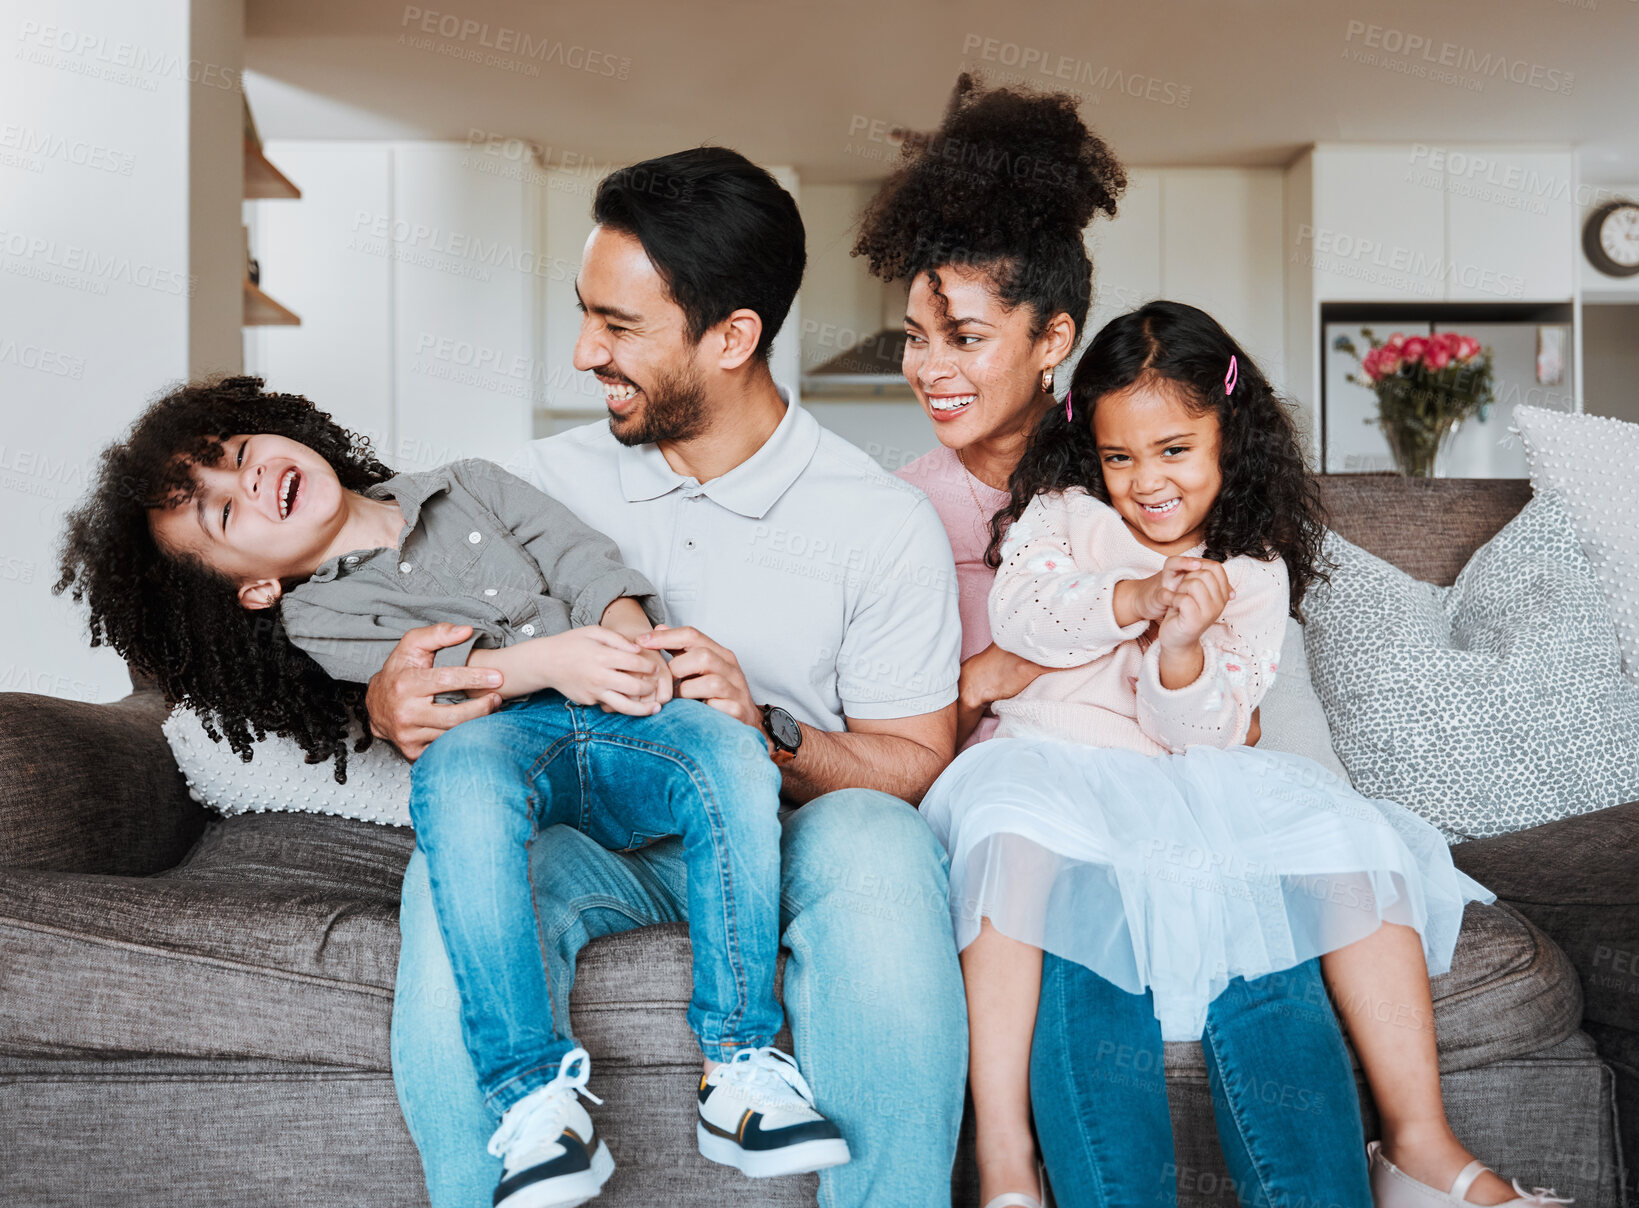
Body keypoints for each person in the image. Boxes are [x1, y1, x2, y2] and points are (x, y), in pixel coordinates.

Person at [54, 376, 853, 1207]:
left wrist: (625, 640)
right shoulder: (313, 618)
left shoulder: (469, 481)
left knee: (730, 749)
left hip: (627, 718)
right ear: (252, 588)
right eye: (223, 514)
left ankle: (738, 1066)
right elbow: (436, 692)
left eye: (240, 454)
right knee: (458, 775)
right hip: (512, 741)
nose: (248, 482)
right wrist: (550, 664)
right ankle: (534, 1095)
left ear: (279, 432)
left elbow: (581, 557)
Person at [365, 147, 971, 1208]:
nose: (583, 351)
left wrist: (766, 726)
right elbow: (408, 635)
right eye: (585, 313)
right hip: (598, 840)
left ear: (733, 335)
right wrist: (387, 698)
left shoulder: (876, 520)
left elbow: (915, 763)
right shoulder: (529, 485)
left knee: (882, 837)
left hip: (787, 837)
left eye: (620, 326)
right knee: (447, 870)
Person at [858, 74, 1376, 1208]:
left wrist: (1248, 748)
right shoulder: (896, 508)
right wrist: (1000, 670)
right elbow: (896, 726)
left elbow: (1240, 660)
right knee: (1087, 960)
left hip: (1190, 758)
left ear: (1052, 342)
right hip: (1030, 788)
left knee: (1271, 949)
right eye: (913, 338)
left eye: (964, 336)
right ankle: (1017, 1165)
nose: (930, 367)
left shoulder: (1126, 441)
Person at [924, 296, 1566, 1208]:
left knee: (1354, 842)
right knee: (1009, 844)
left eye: (1175, 450)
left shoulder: (1252, 571)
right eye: (1120, 456)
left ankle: (1419, 1143)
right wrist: (1135, 599)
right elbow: (1026, 616)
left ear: (1230, 437)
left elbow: (1208, 730)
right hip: (1052, 765)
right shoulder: (1062, 513)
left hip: (1189, 782)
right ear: (1090, 455)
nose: (1146, 482)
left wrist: (1182, 651)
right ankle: (1003, 1162)